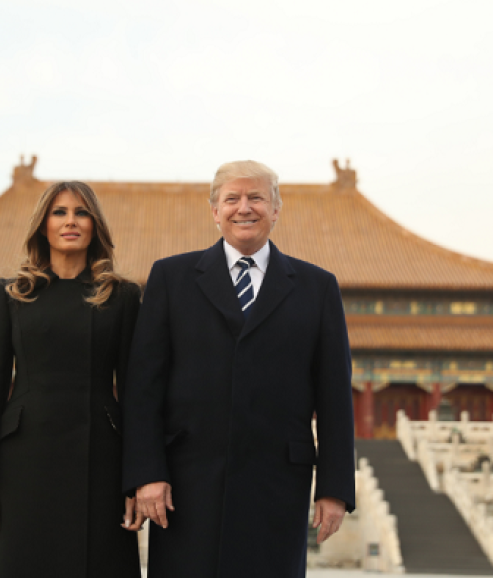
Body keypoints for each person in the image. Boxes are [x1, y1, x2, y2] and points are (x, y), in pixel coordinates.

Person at [122, 160, 355, 578]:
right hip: (186, 481)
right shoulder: (171, 278)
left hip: (277, 481)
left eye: (256, 198)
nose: (243, 208)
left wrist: (335, 489)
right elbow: (143, 387)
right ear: (215, 211)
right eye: (232, 199)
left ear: (276, 209)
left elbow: (335, 396)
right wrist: (146, 474)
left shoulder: (317, 287)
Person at [0, 181, 143, 578]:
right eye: (59, 212)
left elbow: (135, 394)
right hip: (22, 463)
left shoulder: (122, 296)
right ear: (42, 224)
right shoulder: (13, 294)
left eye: (82, 213)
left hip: (100, 461)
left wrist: (135, 480)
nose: (71, 222)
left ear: (95, 226)